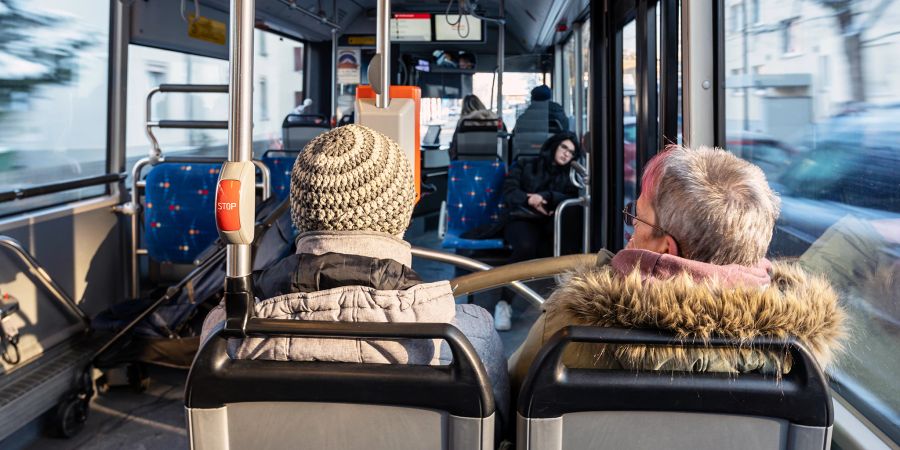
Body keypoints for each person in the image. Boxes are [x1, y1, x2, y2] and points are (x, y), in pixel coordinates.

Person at [201, 124, 510, 436]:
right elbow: (497, 431)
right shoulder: (464, 336)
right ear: (402, 209)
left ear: (299, 209)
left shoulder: (225, 330)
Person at [508, 145, 847, 392]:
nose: (629, 232)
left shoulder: (572, 328)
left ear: (666, 249)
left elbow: (514, 398)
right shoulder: (796, 359)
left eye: (636, 218)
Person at [493, 131, 582, 330]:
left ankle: (563, 308)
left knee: (564, 246)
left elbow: (571, 196)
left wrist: (546, 196)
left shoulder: (570, 175)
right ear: (555, 146)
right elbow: (509, 191)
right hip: (521, 217)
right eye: (564, 148)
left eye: (571, 153)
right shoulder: (526, 164)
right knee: (525, 247)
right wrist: (529, 199)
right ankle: (503, 303)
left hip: (549, 221)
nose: (566, 155)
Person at [448, 94, 504, 160]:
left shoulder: (463, 122)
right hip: (492, 161)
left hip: (465, 162)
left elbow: (454, 147)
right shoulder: (494, 120)